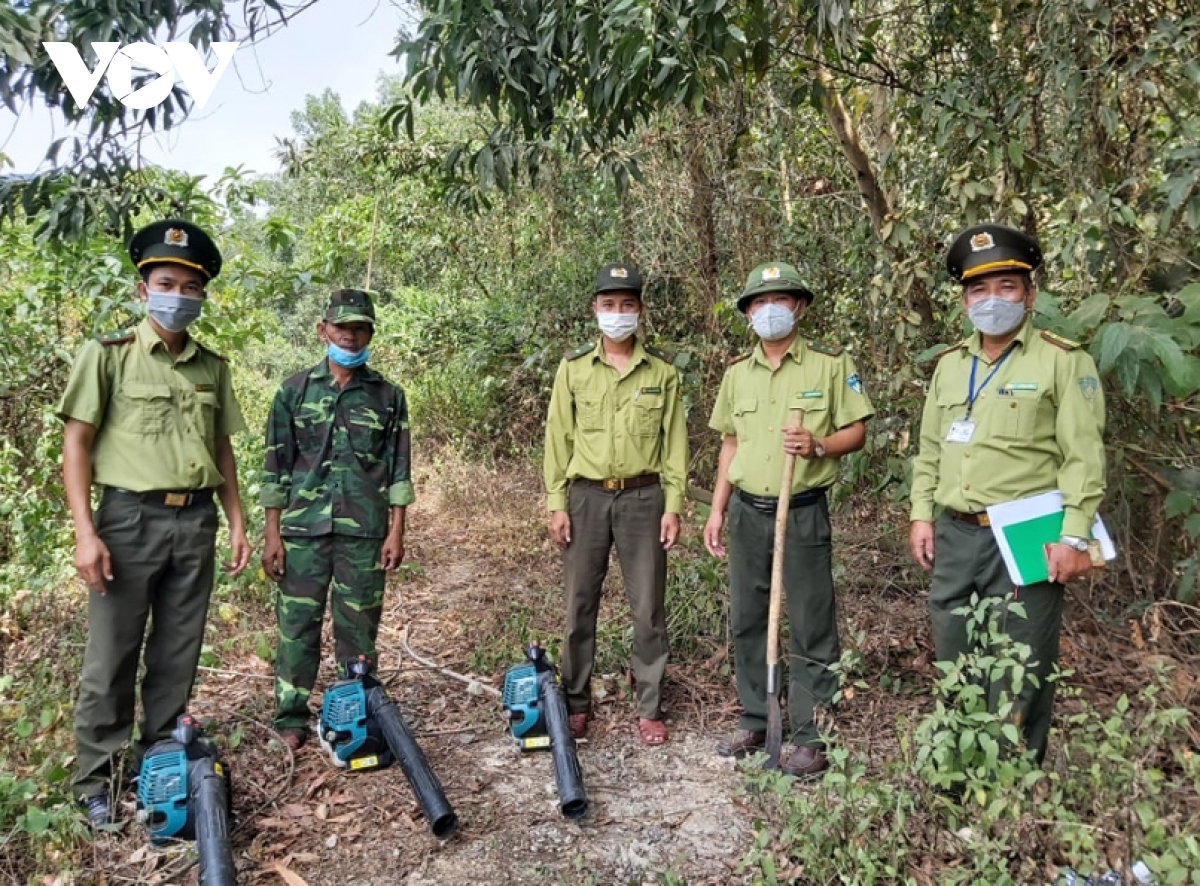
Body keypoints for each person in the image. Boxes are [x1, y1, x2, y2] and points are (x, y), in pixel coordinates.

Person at [58, 219, 251, 826]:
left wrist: (237, 522)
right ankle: (95, 780)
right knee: (112, 655)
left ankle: (159, 762)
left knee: (177, 653)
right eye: (167, 282)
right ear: (144, 289)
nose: (179, 294)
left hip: (194, 523)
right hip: (127, 521)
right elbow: (77, 444)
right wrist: (85, 532)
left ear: (202, 295)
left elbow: (223, 449)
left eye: (191, 287)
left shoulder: (211, 367)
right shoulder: (107, 356)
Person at [909, 223, 1105, 764]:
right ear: (964, 299)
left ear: (1030, 294)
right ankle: (955, 777)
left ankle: (1010, 788)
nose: (991, 301)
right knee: (955, 657)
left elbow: (1083, 458)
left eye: (1006, 288)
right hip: (955, 532)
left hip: (1025, 535)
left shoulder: (1062, 361)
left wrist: (1073, 535)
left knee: (1020, 665)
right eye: (979, 290)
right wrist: (921, 515)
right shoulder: (950, 366)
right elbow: (930, 448)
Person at [703, 262, 873, 778]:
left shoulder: (828, 364)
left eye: (779, 300)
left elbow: (858, 430)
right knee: (749, 617)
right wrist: (716, 507)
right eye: (758, 302)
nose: (768, 310)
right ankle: (757, 716)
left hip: (800, 512)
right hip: (747, 512)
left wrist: (819, 444)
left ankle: (810, 732)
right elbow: (729, 443)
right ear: (748, 313)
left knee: (810, 621)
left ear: (798, 306)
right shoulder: (737, 373)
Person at [543, 262, 689, 746]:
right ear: (595, 310)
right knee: (579, 603)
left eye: (627, 305)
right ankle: (576, 700)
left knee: (648, 607)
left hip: (644, 498)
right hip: (585, 498)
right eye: (609, 305)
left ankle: (648, 704)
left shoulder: (662, 372)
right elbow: (558, 439)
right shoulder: (574, 368)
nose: (618, 314)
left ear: (640, 310)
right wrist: (556, 502)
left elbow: (675, 445)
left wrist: (674, 504)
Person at [261, 289, 413, 751]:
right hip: (303, 533)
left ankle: (356, 709)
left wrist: (396, 530)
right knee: (297, 628)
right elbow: (276, 466)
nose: (349, 335)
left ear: (370, 334)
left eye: (360, 327)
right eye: (341, 326)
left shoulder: (388, 396)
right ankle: (290, 716)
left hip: (363, 533)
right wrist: (272, 533)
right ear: (322, 330)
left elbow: (399, 468)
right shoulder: (293, 391)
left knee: (358, 628)